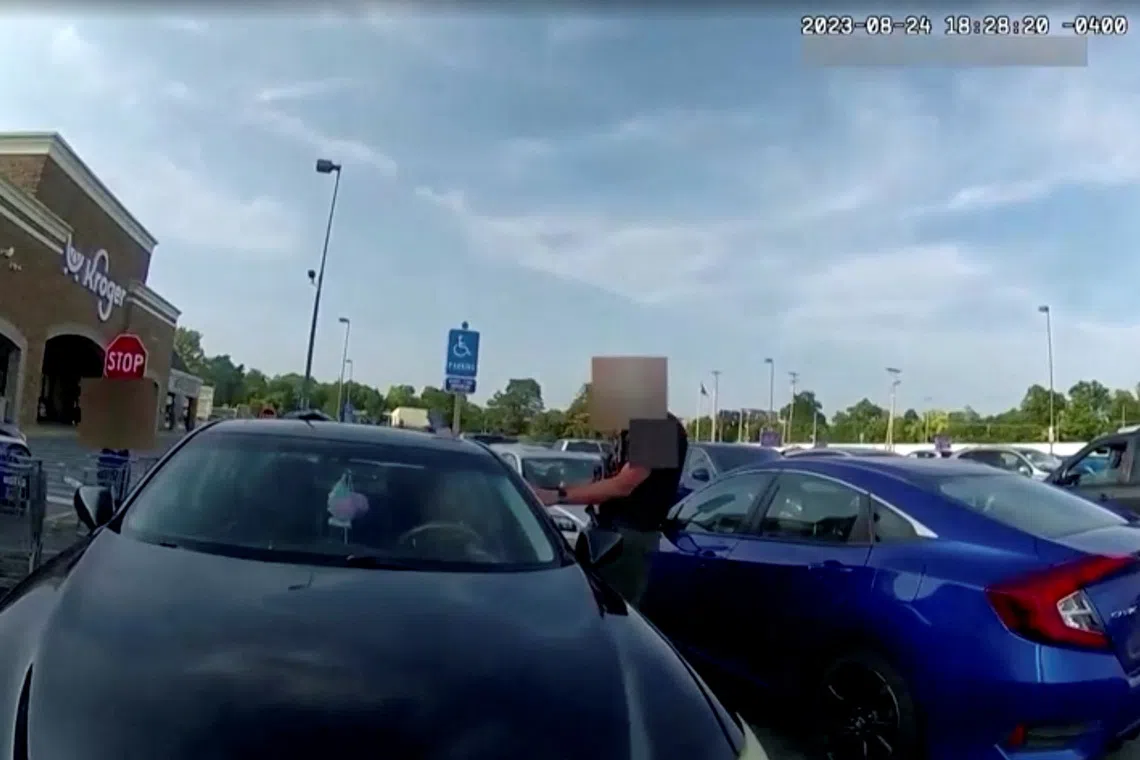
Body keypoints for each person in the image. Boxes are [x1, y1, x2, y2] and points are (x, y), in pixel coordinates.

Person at [532, 414, 688, 607]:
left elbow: (625, 484)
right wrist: (554, 491)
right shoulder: (633, 429)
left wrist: (559, 496)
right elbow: (605, 482)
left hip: (629, 538)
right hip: (607, 533)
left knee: (615, 613)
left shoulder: (657, 425)